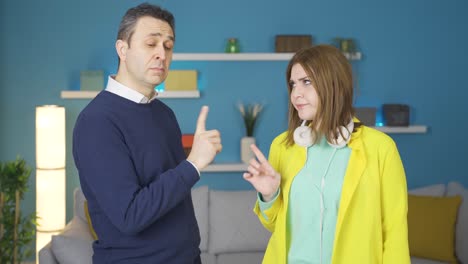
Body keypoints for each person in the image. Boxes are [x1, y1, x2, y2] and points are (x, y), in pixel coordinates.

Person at [72, 3, 222, 263]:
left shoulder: (164, 114)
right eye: (151, 44)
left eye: (168, 46)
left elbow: (173, 200)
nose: (161, 55)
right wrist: (194, 164)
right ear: (122, 49)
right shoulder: (96, 121)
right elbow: (130, 215)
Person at [243, 45, 410, 264]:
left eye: (307, 82)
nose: (296, 94)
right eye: (293, 84)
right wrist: (268, 196)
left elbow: (395, 230)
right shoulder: (283, 146)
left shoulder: (381, 148)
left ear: (334, 85)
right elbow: (274, 224)